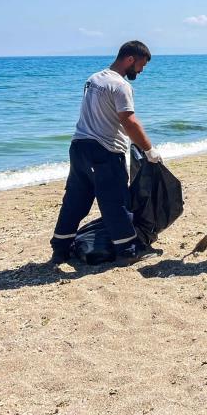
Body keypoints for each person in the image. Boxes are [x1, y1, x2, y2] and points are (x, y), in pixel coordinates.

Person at [50, 40, 162, 264]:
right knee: (115, 201)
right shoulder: (120, 85)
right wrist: (149, 150)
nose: (141, 70)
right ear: (130, 59)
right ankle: (128, 251)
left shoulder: (93, 79)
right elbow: (129, 121)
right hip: (105, 150)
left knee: (75, 199)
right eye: (141, 65)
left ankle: (60, 249)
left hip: (79, 147)